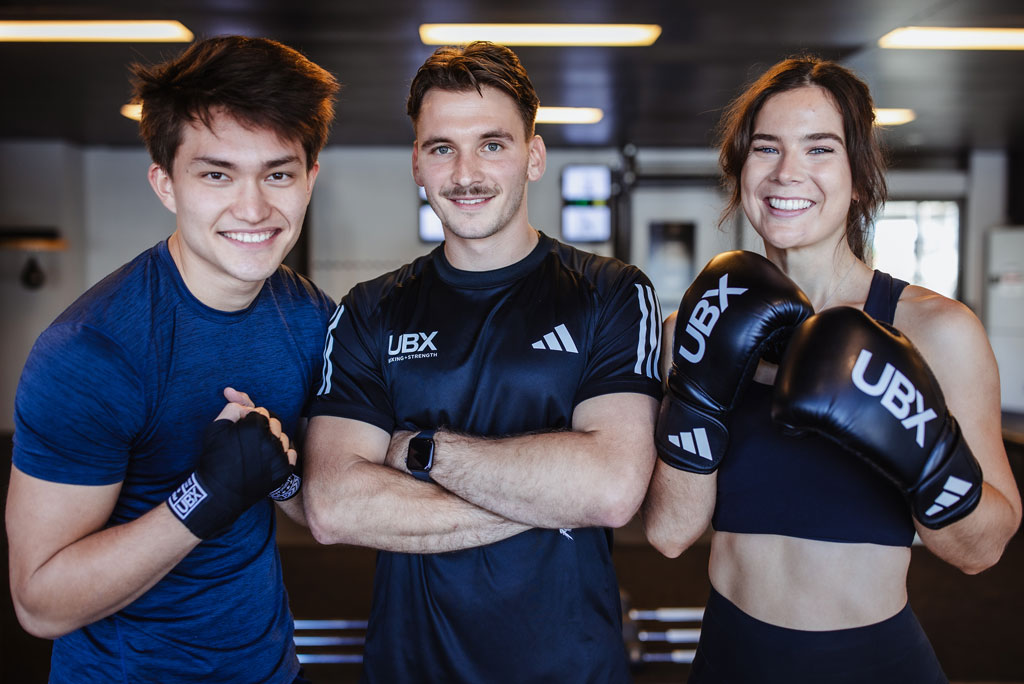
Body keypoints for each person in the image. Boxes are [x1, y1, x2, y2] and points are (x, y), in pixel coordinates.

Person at [642, 56, 1021, 683]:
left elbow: (981, 552)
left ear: (860, 178)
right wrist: (698, 396)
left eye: (819, 149)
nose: (787, 172)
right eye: (766, 148)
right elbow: (670, 534)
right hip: (729, 658)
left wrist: (927, 454)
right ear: (740, 175)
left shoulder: (936, 331)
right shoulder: (696, 326)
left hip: (874, 663)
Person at [303, 41, 663, 682]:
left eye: (493, 144)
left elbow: (609, 491)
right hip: (410, 667)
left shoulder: (610, 293)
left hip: (572, 667)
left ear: (534, 155)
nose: (466, 172)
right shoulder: (369, 310)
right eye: (442, 147)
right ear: (417, 162)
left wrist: (419, 452)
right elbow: (333, 506)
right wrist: (549, 495)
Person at [6, 36, 339, 683]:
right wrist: (203, 498)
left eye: (278, 173)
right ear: (166, 183)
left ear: (310, 179)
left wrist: (281, 472)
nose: (253, 208)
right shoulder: (93, 352)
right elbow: (39, 603)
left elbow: (315, 507)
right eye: (217, 174)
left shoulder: (307, 317)